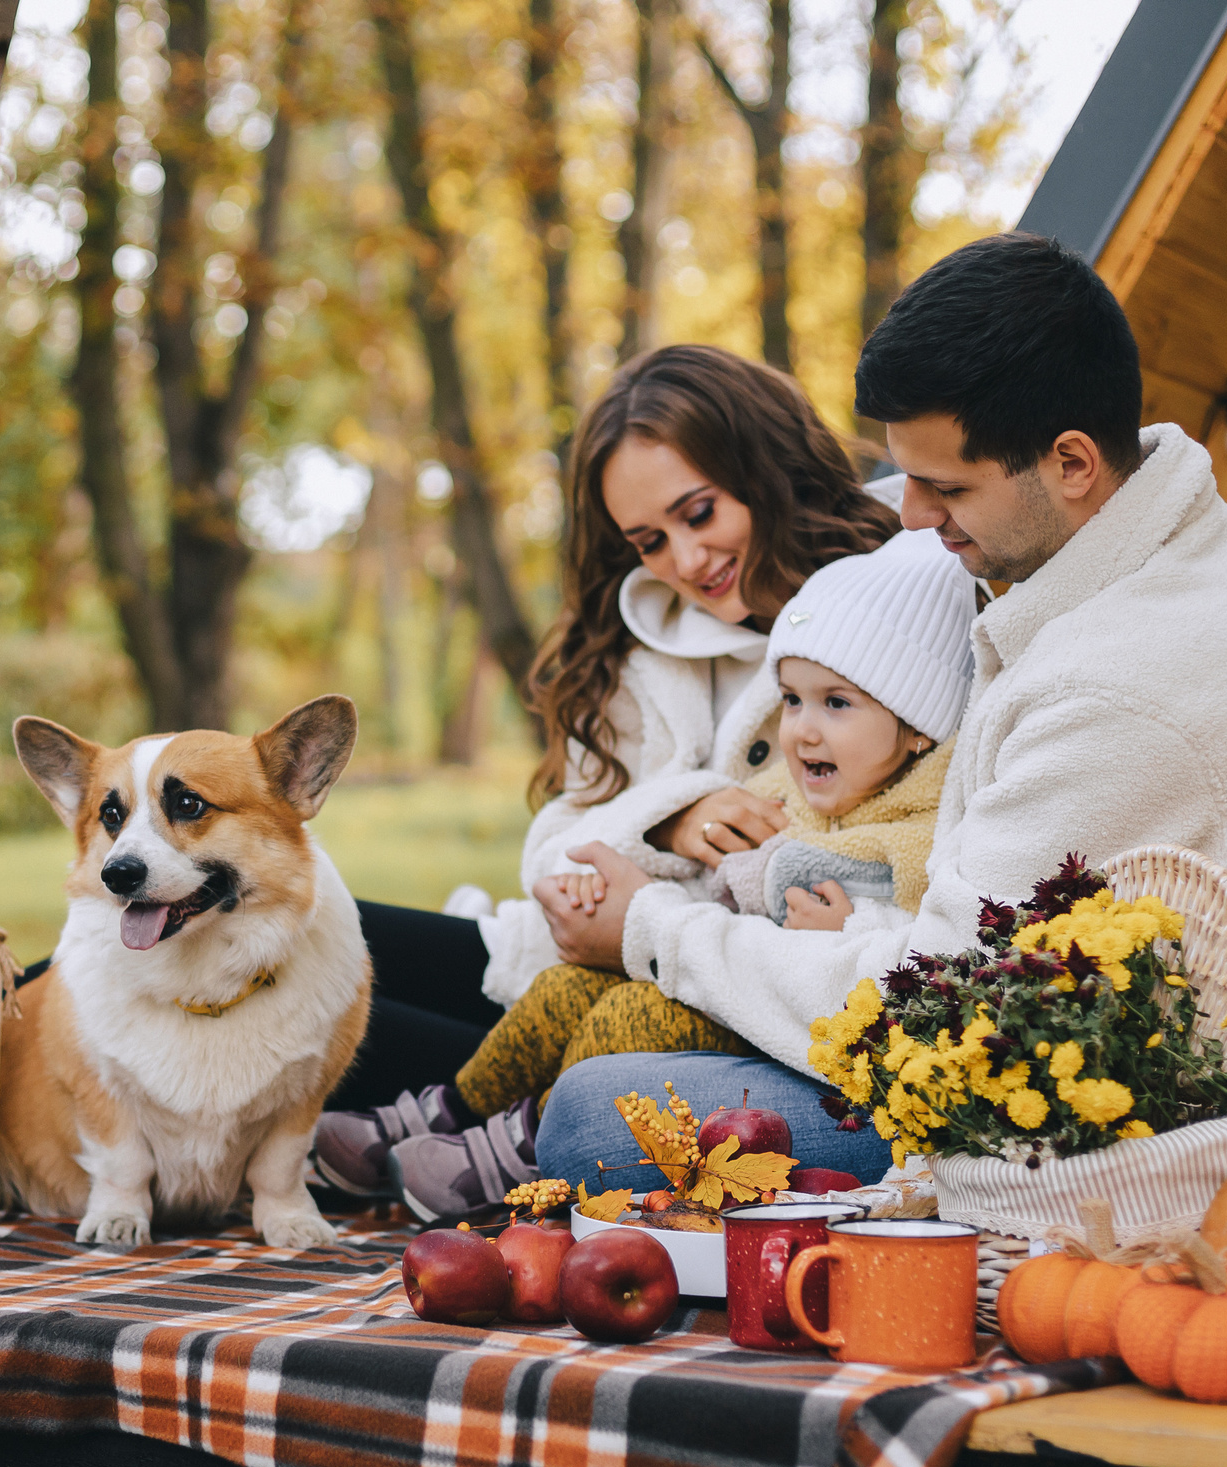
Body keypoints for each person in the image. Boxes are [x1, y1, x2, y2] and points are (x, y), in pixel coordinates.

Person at [531, 231, 1227, 1195]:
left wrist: (656, 931)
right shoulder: (1173, 553)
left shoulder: (1122, 687)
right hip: (1119, 1062)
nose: (915, 516)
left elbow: (931, 1013)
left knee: (595, 1115)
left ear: (1071, 461)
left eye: (947, 487)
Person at [310, 344, 958, 1206]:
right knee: (270, 930)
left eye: (700, 513)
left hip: (698, 986)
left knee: (285, 1008)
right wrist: (670, 819)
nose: (687, 561)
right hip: (548, 955)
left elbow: (918, 845)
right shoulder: (641, 642)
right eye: (650, 540)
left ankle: (469, 1140)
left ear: (762, 470)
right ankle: (442, 1121)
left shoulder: (896, 614)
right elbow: (551, 851)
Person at [378, 546, 974, 1219]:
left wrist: (852, 929)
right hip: (723, 983)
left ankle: (508, 1153)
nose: (802, 728)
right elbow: (705, 876)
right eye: (791, 699)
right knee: (565, 987)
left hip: (792, 1028)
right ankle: (449, 1108)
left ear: (918, 728)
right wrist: (620, 886)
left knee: (628, 1014)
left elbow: (929, 947)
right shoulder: (789, 794)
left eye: (836, 703)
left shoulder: (922, 829)